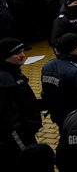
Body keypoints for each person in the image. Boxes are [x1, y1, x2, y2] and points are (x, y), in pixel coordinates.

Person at [0, 37, 42, 168]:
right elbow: (8, 120)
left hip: (27, 132)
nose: (23, 55)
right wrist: (23, 145)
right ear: (5, 56)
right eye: (17, 53)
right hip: (19, 139)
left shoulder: (13, 71)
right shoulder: (4, 81)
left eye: (22, 51)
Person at [40, 33, 77, 128]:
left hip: (57, 115)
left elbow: (45, 92)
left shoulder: (47, 66)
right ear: (71, 48)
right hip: (75, 117)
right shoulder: (76, 71)